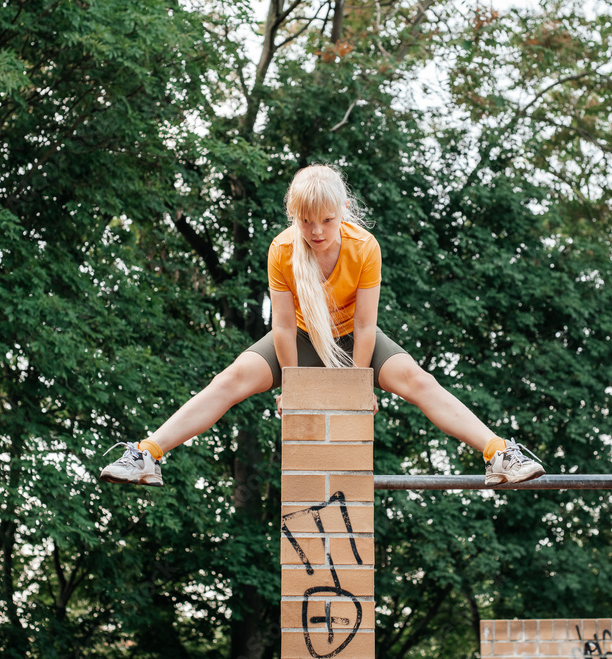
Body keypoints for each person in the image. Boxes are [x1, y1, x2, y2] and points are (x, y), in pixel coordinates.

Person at [99, 165, 544, 487]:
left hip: (354, 338)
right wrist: (292, 390)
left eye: (327, 220)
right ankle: (146, 455)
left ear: (343, 210)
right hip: (302, 338)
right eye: (306, 221)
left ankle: (499, 453)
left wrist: (357, 388)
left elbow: (367, 326)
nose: (316, 231)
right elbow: (285, 328)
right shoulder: (282, 250)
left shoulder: (363, 246)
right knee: (231, 378)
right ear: (296, 216)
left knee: (416, 379)